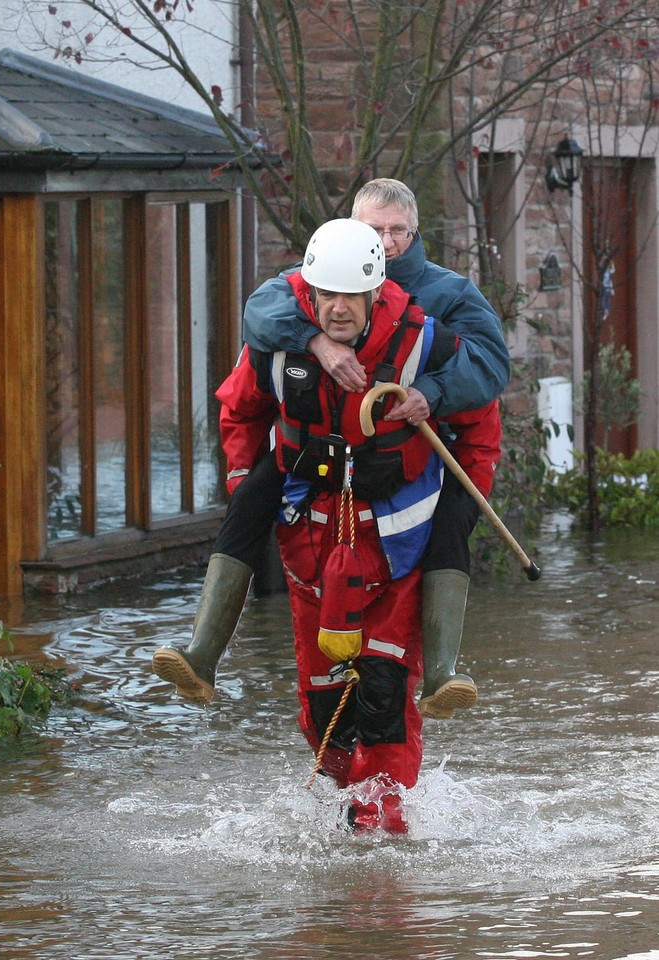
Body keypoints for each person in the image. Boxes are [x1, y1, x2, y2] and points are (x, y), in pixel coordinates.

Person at [152, 179, 508, 720]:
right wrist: (316, 340)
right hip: (315, 458)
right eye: (375, 231)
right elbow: (261, 314)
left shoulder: (446, 296)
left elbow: (489, 368)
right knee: (248, 501)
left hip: (412, 452)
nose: (386, 243)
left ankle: (441, 674)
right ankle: (201, 657)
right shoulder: (303, 285)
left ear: (415, 234)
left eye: (397, 232)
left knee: (453, 521)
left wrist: (430, 393)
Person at [213, 218, 500, 832]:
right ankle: (344, 802)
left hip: (399, 543)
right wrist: (243, 483)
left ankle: (385, 824)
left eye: (351, 297)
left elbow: (482, 414)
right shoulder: (281, 341)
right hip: (309, 543)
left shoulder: (428, 342)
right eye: (327, 297)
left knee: (386, 687)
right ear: (310, 294)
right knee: (321, 703)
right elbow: (240, 409)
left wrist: (466, 497)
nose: (338, 310)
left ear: (376, 293)